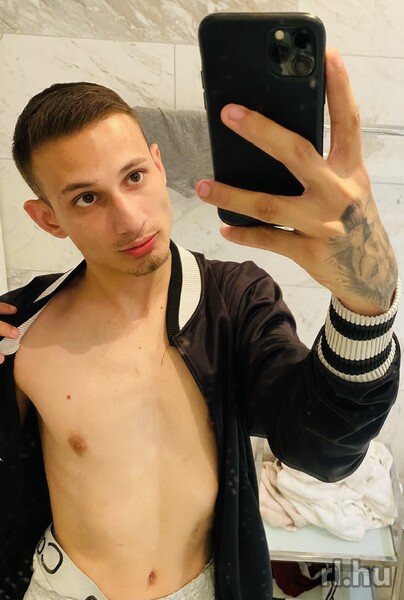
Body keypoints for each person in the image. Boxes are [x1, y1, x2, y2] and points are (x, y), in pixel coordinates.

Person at [0, 48, 400, 600]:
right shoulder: (21, 328)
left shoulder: (234, 300)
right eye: (87, 198)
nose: (130, 219)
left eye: (134, 176)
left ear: (159, 165)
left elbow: (322, 449)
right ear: (48, 218)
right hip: (62, 586)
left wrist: (366, 306)